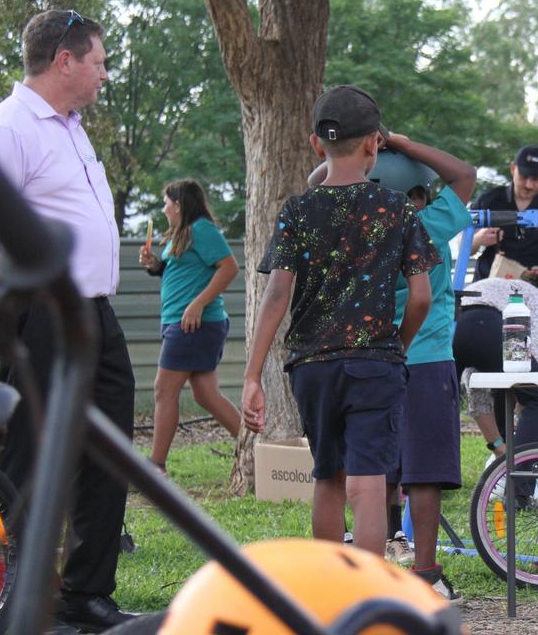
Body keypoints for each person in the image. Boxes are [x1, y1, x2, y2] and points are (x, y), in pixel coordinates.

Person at [0, 9, 136, 633]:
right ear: (66, 61)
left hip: (96, 313)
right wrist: (1, 295)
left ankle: (85, 597)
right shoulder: (7, 128)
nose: (103, 75)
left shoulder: (72, 128)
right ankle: (26, 608)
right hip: (45, 317)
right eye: (100, 62)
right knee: (34, 458)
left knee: (111, 454)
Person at [242, 85, 439, 561]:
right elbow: (421, 296)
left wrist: (252, 375)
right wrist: (399, 344)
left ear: (316, 144)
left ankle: (329, 596)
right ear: (374, 142)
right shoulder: (395, 209)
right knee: (368, 484)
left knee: (327, 478)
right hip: (375, 362)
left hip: (312, 367)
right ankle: (368, 601)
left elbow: (275, 296)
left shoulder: (297, 211)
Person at [309, 131, 475, 601]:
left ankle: (367, 568)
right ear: (418, 195)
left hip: (367, 358)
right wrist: (404, 142)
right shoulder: (430, 223)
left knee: (369, 467)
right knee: (424, 471)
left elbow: (314, 181)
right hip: (425, 357)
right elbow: (464, 174)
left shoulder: (354, 224)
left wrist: (358, 155)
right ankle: (425, 572)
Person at [138, 180, 242, 474]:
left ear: (179, 203)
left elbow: (230, 267)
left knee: (163, 389)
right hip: (182, 322)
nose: (164, 208)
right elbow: (185, 271)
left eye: (166, 201)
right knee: (206, 394)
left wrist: (197, 304)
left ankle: (155, 467)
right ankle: (254, 451)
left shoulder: (202, 229)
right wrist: (156, 266)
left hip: (193, 324)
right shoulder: (181, 235)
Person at [454, 277, 538, 455]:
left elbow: (475, 382)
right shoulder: (537, 297)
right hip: (487, 323)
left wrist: (496, 445)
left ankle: (501, 453)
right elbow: (528, 353)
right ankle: (519, 472)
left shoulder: (492, 285)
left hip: (453, 323)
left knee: (446, 401)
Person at [470, 145, 538, 325]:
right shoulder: (489, 200)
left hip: (532, 291)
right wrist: (479, 239)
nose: (529, 185)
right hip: (488, 291)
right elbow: (464, 245)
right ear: (512, 168)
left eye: (536, 179)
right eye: (524, 177)